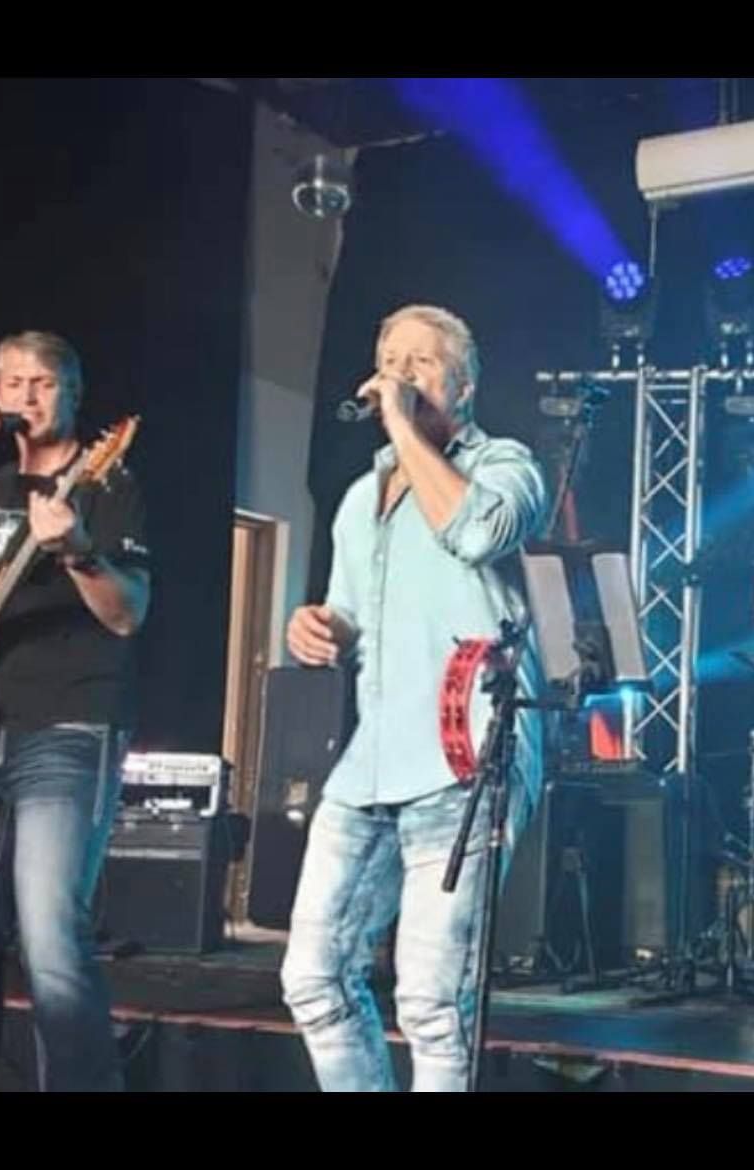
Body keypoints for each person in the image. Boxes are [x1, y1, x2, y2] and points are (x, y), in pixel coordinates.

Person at [281, 304, 547, 1092]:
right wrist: (319, 627)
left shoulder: (507, 464)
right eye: (389, 359)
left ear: (463, 387)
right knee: (313, 977)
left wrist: (401, 427)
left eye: (421, 362)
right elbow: (350, 616)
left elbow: (478, 532)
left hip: (466, 754)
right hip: (370, 762)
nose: (398, 374)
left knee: (432, 1001)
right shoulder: (359, 498)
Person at [0, 331, 151, 1091]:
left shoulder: (107, 480)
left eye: (44, 382)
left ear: (73, 394)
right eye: (14, 382)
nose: (27, 395)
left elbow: (128, 612)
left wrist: (79, 550)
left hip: (69, 726)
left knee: (51, 939)